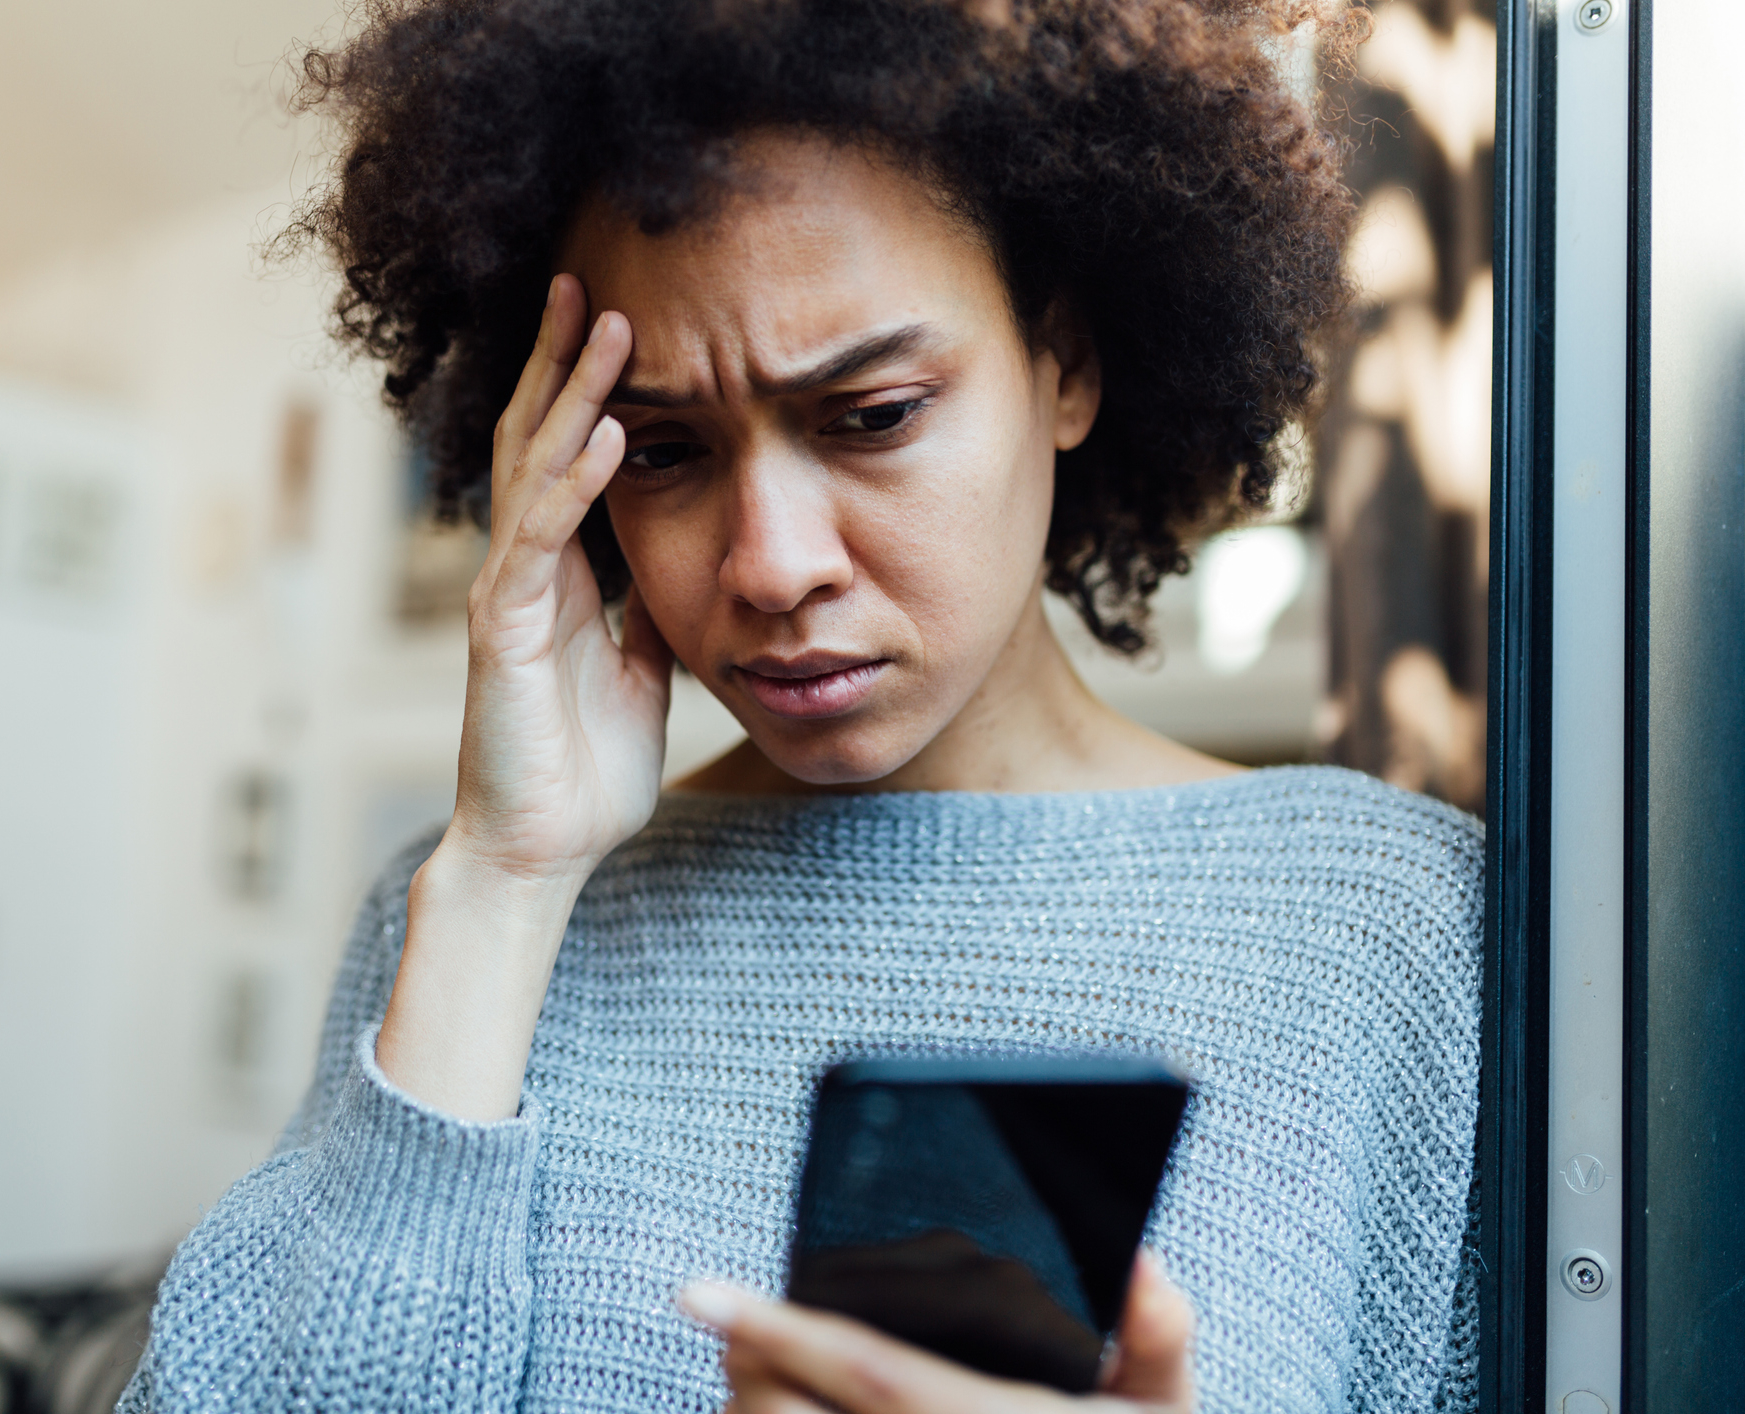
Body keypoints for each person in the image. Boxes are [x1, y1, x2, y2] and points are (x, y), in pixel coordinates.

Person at [120, 1, 1480, 1411]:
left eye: (873, 414)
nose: (768, 563)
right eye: (660, 449)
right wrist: (504, 883)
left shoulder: (1391, 930)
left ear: (1062, 366)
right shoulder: (471, 918)